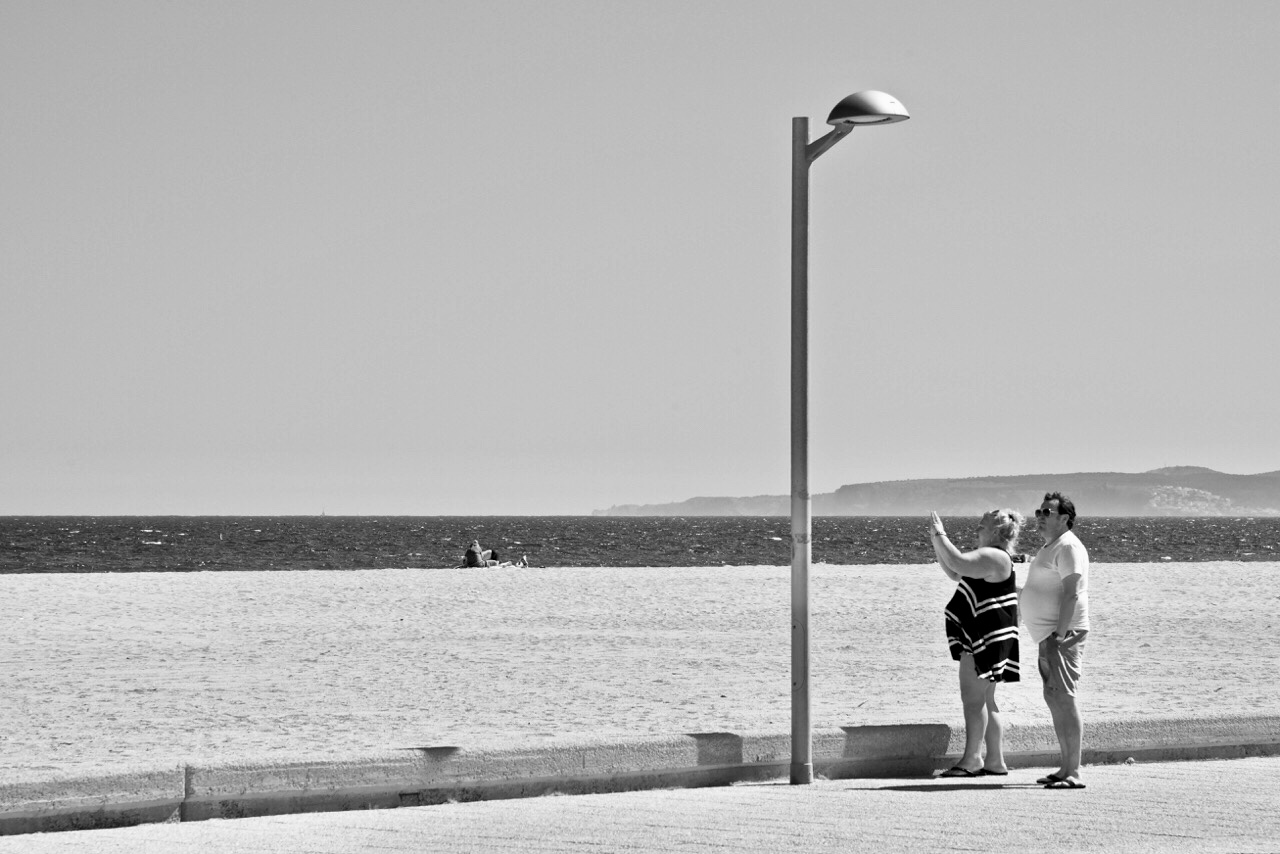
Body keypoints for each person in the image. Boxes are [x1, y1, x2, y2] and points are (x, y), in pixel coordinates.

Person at [929, 508, 1024, 778]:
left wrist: (941, 534)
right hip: (993, 636)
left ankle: (972, 759)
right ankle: (995, 760)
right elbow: (955, 572)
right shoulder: (992, 558)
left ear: (996, 532)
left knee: (973, 700)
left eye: (982, 526)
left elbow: (957, 561)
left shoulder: (992, 555)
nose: (977, 529)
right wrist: (938, 541)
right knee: (986, 698)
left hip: (984, 638)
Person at [1021, 492, 1090, 789]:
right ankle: (1064, 768)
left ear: (1064, 518)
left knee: (1065, 698)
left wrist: (1060, 635)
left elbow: (1072, 592)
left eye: (1046, 512)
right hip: (1049, 635)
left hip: (1062, 634)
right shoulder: (1052, 546)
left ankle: (1073, 771)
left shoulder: (1069, 546)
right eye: (1039, 511)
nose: (1039, 516)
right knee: (1054, 698)